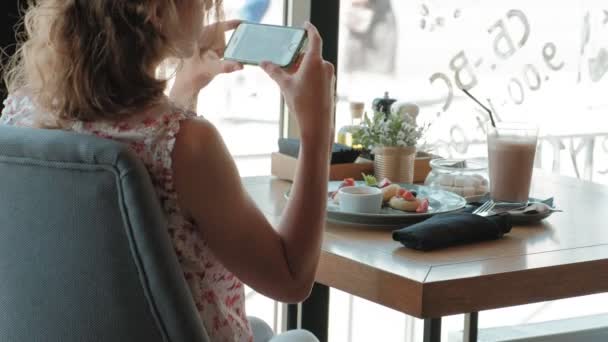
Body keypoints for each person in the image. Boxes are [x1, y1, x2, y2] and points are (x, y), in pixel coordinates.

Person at [1, 1, 335, 341]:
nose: (207, 7)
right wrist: (317, 129)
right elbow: (291, 278)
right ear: (157, 12)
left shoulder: (19, 112)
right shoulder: (188, 144)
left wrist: (186, 88)